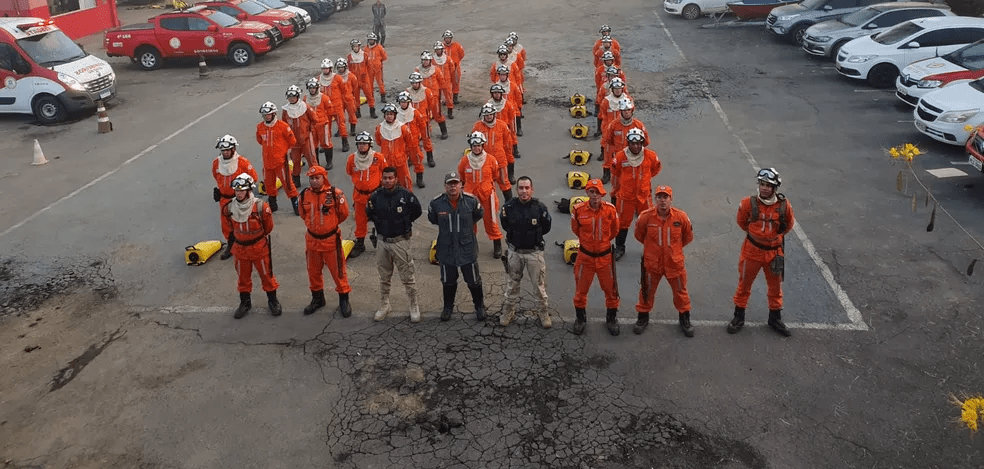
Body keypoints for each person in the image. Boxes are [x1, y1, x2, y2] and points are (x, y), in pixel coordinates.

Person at [728, 168, 795, 337]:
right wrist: (758, 237)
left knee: (775, 288)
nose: (764, 188)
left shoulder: (784, 205)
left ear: (775, 188)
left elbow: (788, 225)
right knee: (744, 285)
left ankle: (775, 318)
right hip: (752, 251)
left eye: (769, 185)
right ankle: (738, 317)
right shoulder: (747, 203)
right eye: (762, 184)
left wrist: (771, 240)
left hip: (774, 253)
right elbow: (741, 222)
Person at [633, 185, 695, 337]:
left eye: (665, 197)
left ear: (670, 199)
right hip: (652, 263)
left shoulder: (681, 217)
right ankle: (642, 317)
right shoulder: (645, 217)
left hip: (674, 264)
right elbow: (639, 235)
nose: (662, 200)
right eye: (659, 197)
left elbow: (687, 237)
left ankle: (684, 318)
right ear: (655, 199)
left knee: (681, 292)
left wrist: (673, 251)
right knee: (647, 291)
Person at [428, 171, 487, 321]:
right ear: (445, 186)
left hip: (467, 249)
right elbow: (433, 219)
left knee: (474, 281)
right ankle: (448, 307)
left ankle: (479, 307)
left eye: (455, 183)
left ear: (461, 185)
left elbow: (478, 215)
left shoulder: (471, 202)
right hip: (446, 250)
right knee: (448, 281)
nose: (453, 187)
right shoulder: (436, 204)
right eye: (450, 184)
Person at [367, 166, 423, 322]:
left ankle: (414, 305)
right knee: (384, 277)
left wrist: (404, 222)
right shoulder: (375, 197)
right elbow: (369, 212)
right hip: (382, 242)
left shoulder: (405, 196)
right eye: (384, 178)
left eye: (390, 178)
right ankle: (385, 305)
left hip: (400, 242)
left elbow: (416, 211)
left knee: (408, 277)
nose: (387, 181)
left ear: (396, 179)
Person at [223, 173, 281, 319]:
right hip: (240, 248)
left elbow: (268, 227)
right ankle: (245, 303)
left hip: (258, 248)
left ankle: (273, 301)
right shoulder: (229, 207)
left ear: (249, 190)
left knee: (266, 275)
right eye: (237, 190)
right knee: (242, 277)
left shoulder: (260, 206)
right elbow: (229, 226)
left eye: (242, 190)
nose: (239, 193)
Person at [298, 165, 353, 318]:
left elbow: (343, 214)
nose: (314, 181)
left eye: (317, 178)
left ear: (324, 178)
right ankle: (317, 298)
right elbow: (303, 214)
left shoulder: (335, 194)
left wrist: (329, 226)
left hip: (331, 240)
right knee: (313, 272)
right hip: (312, 240)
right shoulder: (304, 195)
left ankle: (344, 299)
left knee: (338, 272)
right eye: (311, 178)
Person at [498, 176, 552, 328]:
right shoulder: (508, 207)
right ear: (517, 190)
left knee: (539, 286)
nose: (524, 191)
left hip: (534, 253)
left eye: (527, 188)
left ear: (532, 189)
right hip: (515, 253)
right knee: (512, 284)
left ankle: (543, 312)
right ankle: (508, 311)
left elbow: (546, 227)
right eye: (521, 188)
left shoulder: (540, 208)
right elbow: (506, 225)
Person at [570, 179, 620, 336]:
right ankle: (580, 319)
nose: (595, 195)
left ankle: (611, 319)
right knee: (581, 290)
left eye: (598, 192)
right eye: (592, 192)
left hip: (605, 257)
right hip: (585, 257)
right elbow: (576, 230)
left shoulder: (611, 210)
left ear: (602, 194)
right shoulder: (578, 210)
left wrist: (602, 244)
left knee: (611, 290)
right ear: (587, 193)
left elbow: (615, 231)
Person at [610, 128, 661, 261]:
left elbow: (655, 169)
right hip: (625, 196)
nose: (636, 146)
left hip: (644, 196)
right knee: (622, 223)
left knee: (650, 222)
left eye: (639, 143)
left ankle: (650, 248)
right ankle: (620, 247)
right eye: (633, 143)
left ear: (642, 143)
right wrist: (615, 192)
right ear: (628, 143)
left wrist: (644, 182)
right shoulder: (620, 157)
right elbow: (615, 173)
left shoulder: (650, 156)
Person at [457, 131, 509, 259]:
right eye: (474, 146)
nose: (477, 148)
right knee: (468, 220)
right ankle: (471, 245)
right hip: (469, 194)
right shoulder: (465, 160)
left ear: (483, 145)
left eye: (479, 145)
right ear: (471, 146)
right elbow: (461, 176)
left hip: (487, 193)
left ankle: (497, 244)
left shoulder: (491, 160)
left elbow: (495, 175)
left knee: (491, 219)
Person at [212, 135, 258, 261]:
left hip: (239, 199)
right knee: (226, 225)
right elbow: (217, 177)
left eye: (227, 150)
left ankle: (247, 244)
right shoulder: (216, 163)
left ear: (233, 149)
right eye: (223, 151)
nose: (225, 153)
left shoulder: (242, 162)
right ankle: (231, 245)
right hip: (224, 199)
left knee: (243, 221)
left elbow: (254, 177)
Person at [346, 131, 387, 258]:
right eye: (360, 144)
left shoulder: (378, 157)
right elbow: (349, 172)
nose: (362, 146)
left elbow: (385, 171)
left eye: (365, 144)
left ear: (370, 145)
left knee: (381, 219)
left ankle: (383, 243)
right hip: (359, 196)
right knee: (360, 220)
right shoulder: (352, 159)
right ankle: (360, 243)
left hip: (376, 195)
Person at [255, 101, 299, 214]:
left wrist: (283, 150)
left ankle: (296, 204)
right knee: (269, 185)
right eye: (265, 115)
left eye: (269, 114)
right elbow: (260, 140)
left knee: (288, 184)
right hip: (267, 163)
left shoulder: (283, 126)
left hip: (281, 163)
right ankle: (273, 204)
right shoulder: (260, 127)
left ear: (274, 114)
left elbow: (292, 140)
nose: (267, 117)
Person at [601, 96, 649, 184]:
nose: (626, 112)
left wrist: (635, 150)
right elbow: (608, 140)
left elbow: (646, 142)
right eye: (624, 110)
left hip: (634, 157)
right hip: (619, 157)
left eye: (628, 110)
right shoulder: (613, 125)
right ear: (620, 111)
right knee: (617, 182)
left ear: (632, 110)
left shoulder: (638, 125)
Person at [375, 102, 420, 189]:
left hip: (400, 161)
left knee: (405, 181)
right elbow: (378, 142)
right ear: (384, 115)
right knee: (387, 183)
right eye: (387, 114)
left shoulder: (403, 128)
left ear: (395, 115)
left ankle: (408, 199)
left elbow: (409, 143)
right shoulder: (379, 128)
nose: (389, 116)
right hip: (386, 161)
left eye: (391, 114)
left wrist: (404, 155)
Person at [282, 85, 319, 189]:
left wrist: (309, 129)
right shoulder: (286, 110)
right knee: (295, 161)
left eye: (293, 96)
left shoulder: (305, 106)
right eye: (289, 96)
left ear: (298, 96)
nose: (291, 98)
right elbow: (284, 125)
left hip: (306, 139)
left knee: (311, 159)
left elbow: (314, 119)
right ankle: (296, 179)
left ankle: (316, 178)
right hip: (293, 142)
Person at [472, 103, 516, 185]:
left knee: (504, 182)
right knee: (486, 181)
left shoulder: (502, 125)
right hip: (484, 158)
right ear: (483, 116)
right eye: (487, 115)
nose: (489, 117)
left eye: (490, 114)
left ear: (494, 114)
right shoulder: (477, 126)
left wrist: (506, 153)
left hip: (500, 157)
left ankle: (509, 195)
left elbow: (507, 142)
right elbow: (474, 143)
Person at [318, 58, 349, 153]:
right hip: (325, 108)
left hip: (337, 106)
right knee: (326, 127)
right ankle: (326, 144)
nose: (325, 70)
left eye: (327, 68)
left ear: (330, 69)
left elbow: (344, 90)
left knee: (341, 125)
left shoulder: (337, 78)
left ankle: (345, 142)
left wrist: (345, 102)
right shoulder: (318, 79)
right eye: (323, 69)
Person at [395, 90, 433, 169]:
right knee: (404, 151)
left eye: (405, 102)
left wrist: (423, 135)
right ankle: (409, 160)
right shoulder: (396, 113)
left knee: (417, 154)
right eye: (401, 102)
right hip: (402, 137)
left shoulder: (415, 112)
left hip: (414, 137)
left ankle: (430, 158)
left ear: (409, 102)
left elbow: (422, 125)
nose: (403, 104)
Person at [304, 77, 336, 171]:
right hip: (311, 126)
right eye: (311, 88)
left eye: (314, 87)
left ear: (317, 88)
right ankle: (316, 163)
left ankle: (329, 161)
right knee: (313, 145)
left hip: (322, 124)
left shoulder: (324, 97)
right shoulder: (305, 99)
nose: (312, 90)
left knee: (326, 143)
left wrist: (326, 120)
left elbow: (330, 109)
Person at [406, 71, 446, 140]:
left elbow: (431, 104)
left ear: (420, 82)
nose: (414, 85)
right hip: (413, 115)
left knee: (427, 134)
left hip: (424, 115)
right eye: (412, 83)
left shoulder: (426, 91)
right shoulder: (407, 92)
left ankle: (444, 131)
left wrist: (431, 113)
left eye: (416, 83)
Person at [416, 51, 452, 120]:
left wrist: (444, 94)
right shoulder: (417, 70)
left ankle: (438, 116)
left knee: (436, 109)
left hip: (434, 93)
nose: (425, 62)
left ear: (430, 61)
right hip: (423, 93)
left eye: (427, 60)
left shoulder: (436, 70)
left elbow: (442, 82)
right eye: (423, 60)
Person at [347, 39, 377, 119]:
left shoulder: (365, 55)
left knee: (369, 95)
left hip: (364, 79)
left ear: (359, 46)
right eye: (354, 47)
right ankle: (358, 111)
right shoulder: (349, 57)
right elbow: (348, 70)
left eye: (357, 46)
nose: (356, 48)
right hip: (355, 80)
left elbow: (369, 67)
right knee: (355, 97)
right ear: (352, 47)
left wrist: (369, 78)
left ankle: (372, 110)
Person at [493, 64, 524, 137]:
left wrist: (519, 106)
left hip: (512, 106)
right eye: (500, 75)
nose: (502, 76)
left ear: (507, 75)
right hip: (501, 107)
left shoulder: (512, 85)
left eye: (504, 75)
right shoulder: (496, 86)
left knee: (514, 121)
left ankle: (518, 128)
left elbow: (518, 96)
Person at [334, 58, 360, 133]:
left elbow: (355, 89)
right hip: (339, 99)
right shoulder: (335, 77)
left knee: (352, 114)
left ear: (345, 67)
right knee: (339, 116)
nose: (341, 69)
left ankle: (353, 129)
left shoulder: (351, 76)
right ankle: (340, 130)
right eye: (339, 67)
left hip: (349, 98)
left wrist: (356, 102)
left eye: (342, 67)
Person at [431, 41, 455, 118]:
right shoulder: (432, 60)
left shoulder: (448, 59)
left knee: (448, 97)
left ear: (442, 50)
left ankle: (450, 112)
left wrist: (450, 79)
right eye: (437, 49)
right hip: (436, 81)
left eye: (439, 49)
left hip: (446, 81)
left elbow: (452, 69)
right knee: (436, 98)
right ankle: (437, 113)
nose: (438, 51)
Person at [441, 30, 465, 104]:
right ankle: (447, 98)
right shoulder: (441, 46)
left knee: (456, 82)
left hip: (455, 68)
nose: (447, 39)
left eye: (449, 38)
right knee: (445, 84)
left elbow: (462, 54)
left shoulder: (457, 45)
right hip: (445, 68)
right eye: (446, 38)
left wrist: (456, 62)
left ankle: (455, 98)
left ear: (451, 38)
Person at [365, 32, 388, 103]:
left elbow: (384, 57)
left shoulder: (379, 47)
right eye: (370, 40)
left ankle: (383, 96)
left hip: (378, 69)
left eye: (372, 40)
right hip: (369, 69)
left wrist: (378, 63)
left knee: (380, 82)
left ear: (375, 40)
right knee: (369, 84)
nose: (371, 41)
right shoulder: (365, 48)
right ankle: (371, 97)